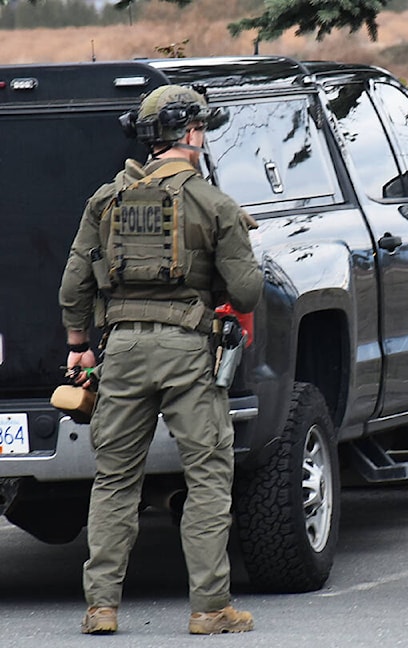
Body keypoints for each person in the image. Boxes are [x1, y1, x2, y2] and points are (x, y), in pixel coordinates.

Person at [59, 84, 264, 634]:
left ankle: (101, 607)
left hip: (121, 350)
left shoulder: (106, 200)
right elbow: (246, 294)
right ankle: (210, 608)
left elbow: (75, 283)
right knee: (208, 477)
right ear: (191, 132)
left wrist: (79, 346)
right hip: (188, 351)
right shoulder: (214, 203)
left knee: (114, 481)